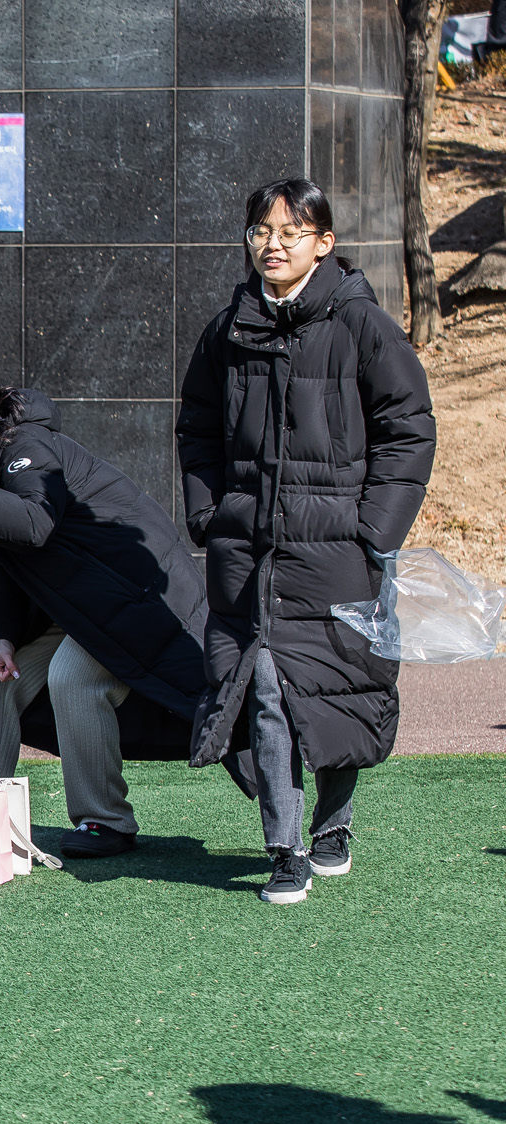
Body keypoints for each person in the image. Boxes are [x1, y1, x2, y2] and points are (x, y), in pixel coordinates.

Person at [177, 178, 435, 904]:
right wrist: (211, 512)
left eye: (292, 231)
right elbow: (196, 425)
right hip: (249, 551)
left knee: (337, 688)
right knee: (261, 686)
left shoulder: (361, 325)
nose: (274, 244)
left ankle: (332, 822)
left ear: (325, 243)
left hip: (338, 551)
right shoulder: (228, 327)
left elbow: (409, 426)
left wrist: (373, 529)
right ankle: (283, 846)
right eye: (262, 230)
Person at [0, 359, 211, 859]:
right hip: (69, 606)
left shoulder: (18, 442)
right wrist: (4, 634)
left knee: (73, 674)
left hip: (133, 595)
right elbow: (5, 565)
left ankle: (104, 820)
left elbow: (35, 523)